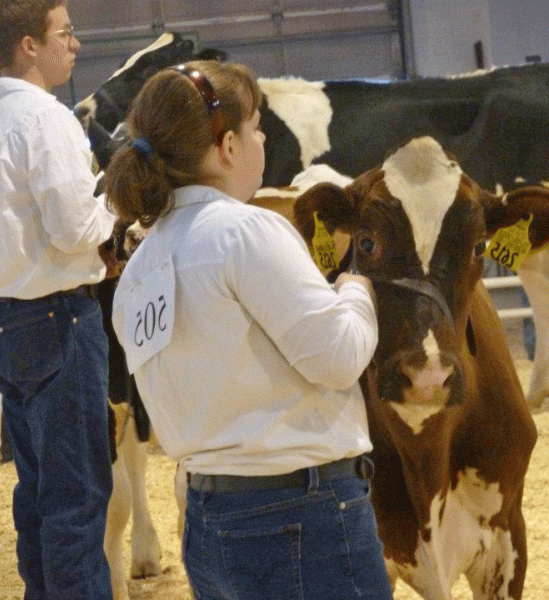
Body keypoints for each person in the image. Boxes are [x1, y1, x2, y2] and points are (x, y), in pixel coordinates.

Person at [105, 60, 393, 600]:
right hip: (302, 514)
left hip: (209, 519)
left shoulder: (138, 270)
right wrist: (357, 286)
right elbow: (338, 358)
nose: (263, 139)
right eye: (257, 126)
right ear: (229, 146)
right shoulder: (246, 229)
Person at [0, 0, 116, 598]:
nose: (74, 44)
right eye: (66, 33)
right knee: (76, 501)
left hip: (3, 321)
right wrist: (116, 208)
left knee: (36, 495)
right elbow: (76, 230)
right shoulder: (46, 120)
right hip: (59, 319)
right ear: (29, 45)